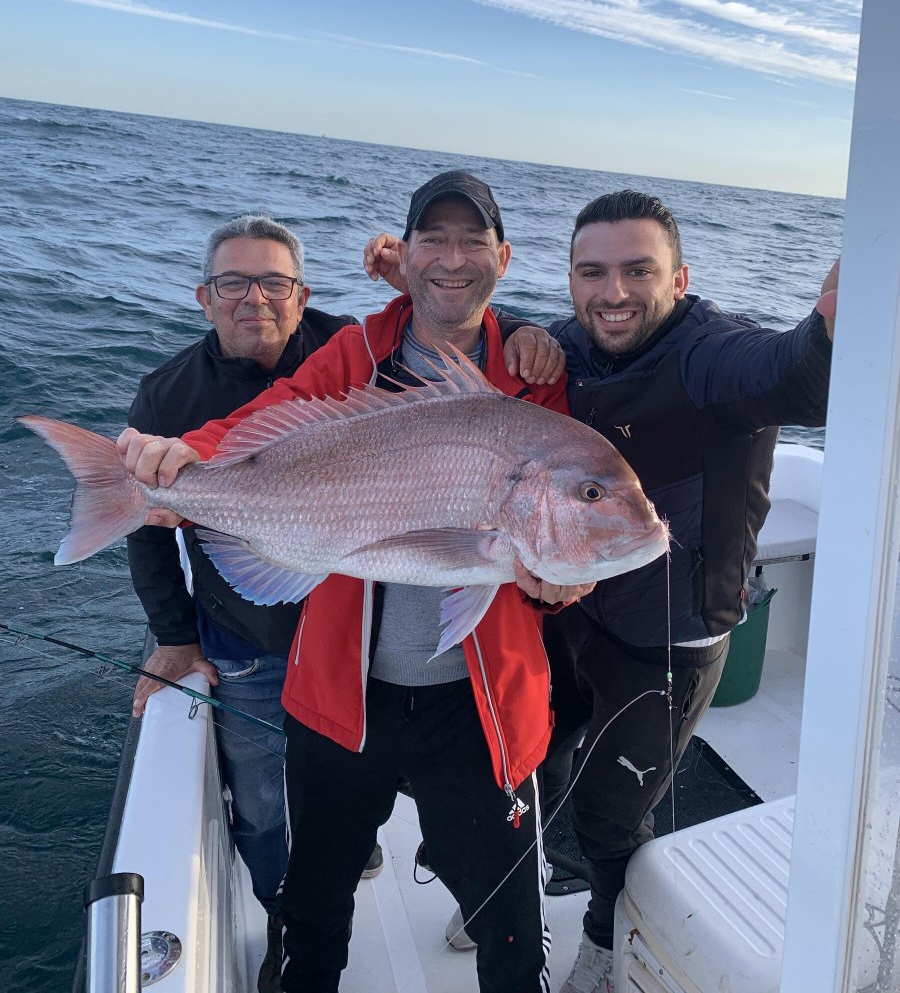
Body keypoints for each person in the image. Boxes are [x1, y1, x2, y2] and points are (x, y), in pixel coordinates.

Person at [117, 170, 590, 993]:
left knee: (512, 929)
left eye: (470, 240)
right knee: (314, 908)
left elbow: (571, 508)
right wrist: (186, 460)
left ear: (503, 257)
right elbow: (281, 411)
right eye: (431, 241)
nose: (451, 258)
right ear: (402, 257)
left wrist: (566, 579)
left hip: (480, 706)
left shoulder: (534, 371)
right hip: (342, 693)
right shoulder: (353, 352)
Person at [363, 187, 837, 993]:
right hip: (570, 603)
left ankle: (606, 941)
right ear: (571, 279)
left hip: (667, 631)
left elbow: (798, 377)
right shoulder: (564, 345)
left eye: (637, 271)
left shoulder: (712, 355)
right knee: (536, 762)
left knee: (613, 816)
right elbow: (478, 353)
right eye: (592, 272)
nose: (613, 293)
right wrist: (428, 287)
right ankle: (506, 891)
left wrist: (838, 318)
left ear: (679, 280)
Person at [125, 213, 365, 993]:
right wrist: (175, 639)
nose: (253, 298)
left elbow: (451, 336)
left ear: (304, 297)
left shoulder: (353, 353)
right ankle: (282, 916)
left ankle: (356, 848)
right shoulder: (168, 393)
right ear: (204, 296)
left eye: (275, 282)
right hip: (245, 638)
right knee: (261, 804)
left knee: (357, 781)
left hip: (350, 634)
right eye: (233, 282)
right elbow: (146, 531)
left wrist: (530, 332)